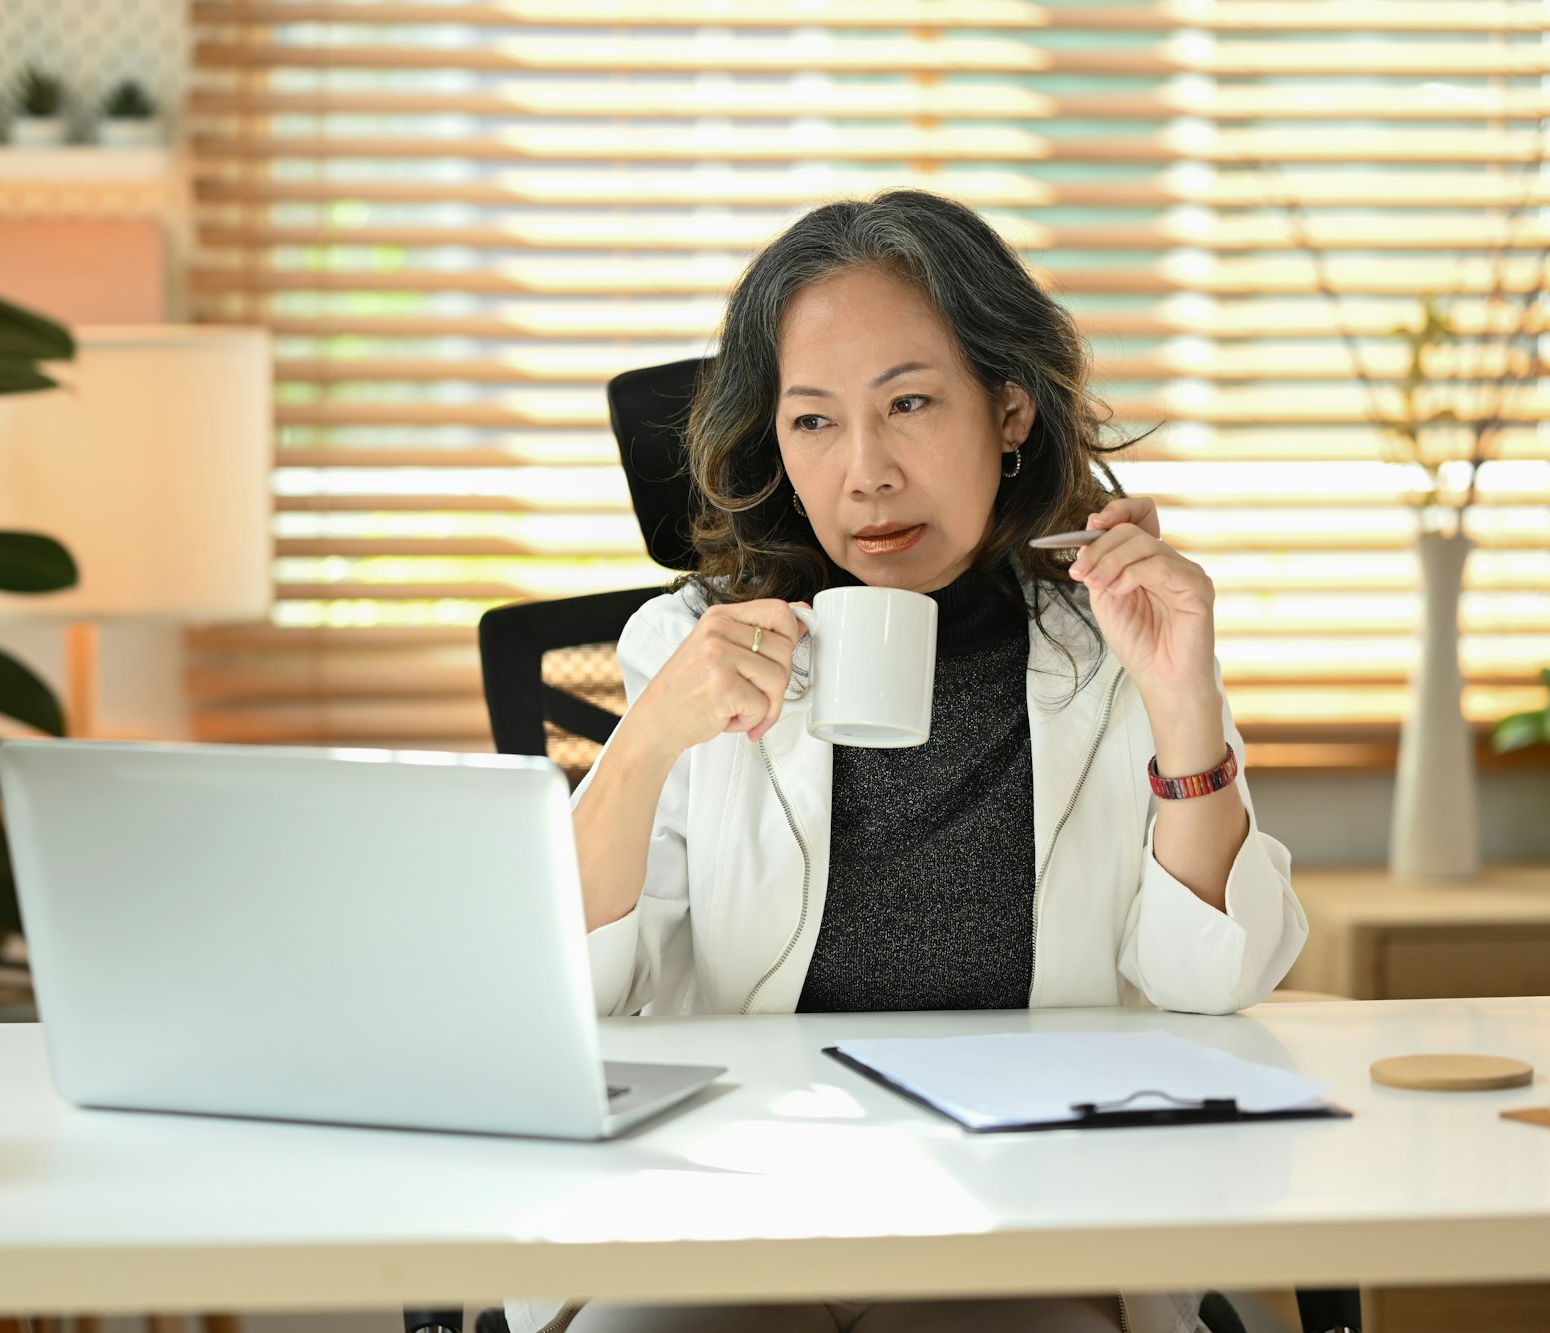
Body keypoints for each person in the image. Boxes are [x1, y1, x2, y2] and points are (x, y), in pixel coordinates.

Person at [509, 190, 1307, 1333]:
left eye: (910, 404)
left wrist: (1180, 696)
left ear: (1009, 409)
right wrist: (643, 744)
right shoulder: (683, 645)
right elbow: (570, 1001)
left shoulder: (1106, 642)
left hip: (1021, 1208)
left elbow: (1210, 981)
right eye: (814, 421)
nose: (864, 473)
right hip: (734, 1200)